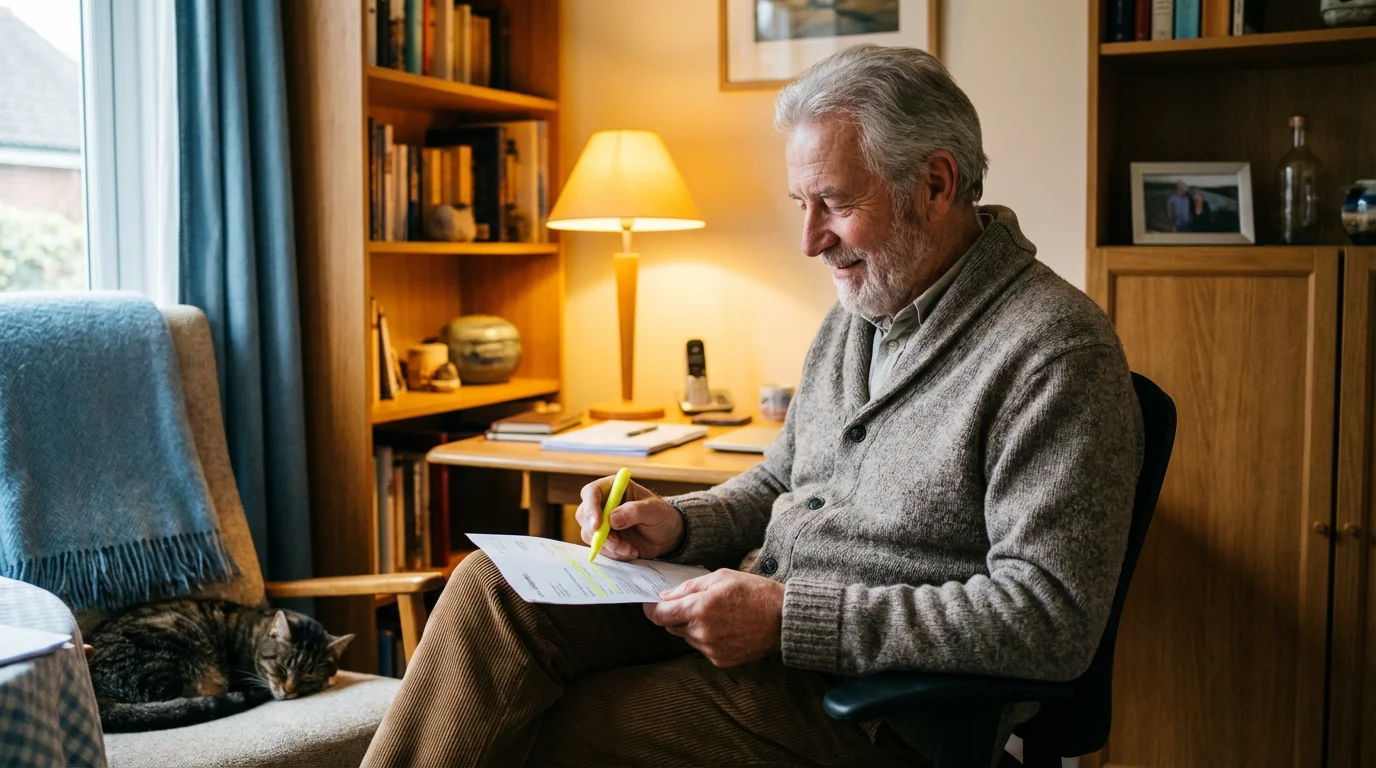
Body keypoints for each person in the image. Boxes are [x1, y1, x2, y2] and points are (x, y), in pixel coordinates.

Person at [363, 44, 1143, 767]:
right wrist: (680, 522)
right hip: (750, 629)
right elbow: (778, 484)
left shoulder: (1054, 352)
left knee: (549, 723)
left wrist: (790, 617)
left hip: (866, 710)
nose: (809, 240)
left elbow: (1049, 620)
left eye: (833, 202)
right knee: (489, 588)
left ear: (935, 184)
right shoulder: (857, 316)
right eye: (800, 201)